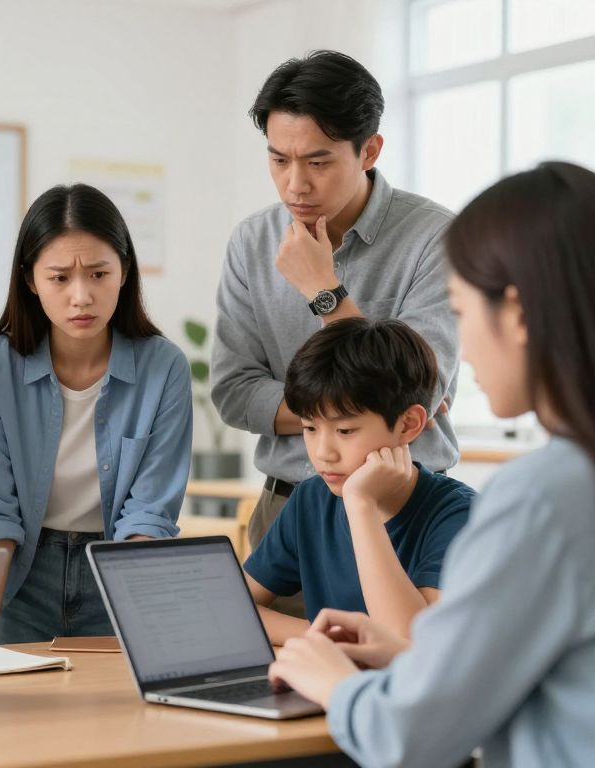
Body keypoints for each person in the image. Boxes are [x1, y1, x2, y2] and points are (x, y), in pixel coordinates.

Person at [268, 162, 595, 768]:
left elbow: (410, 738)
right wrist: (413, 657)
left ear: (517, 315)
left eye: (461, 312)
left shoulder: (542, 498)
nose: (461, 349)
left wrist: (333, 681)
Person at [211, 51, 460, 597]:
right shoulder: (252, 241)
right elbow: (233, 394)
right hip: (287, 508)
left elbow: (421, 392)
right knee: (264, 646)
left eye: (317, 162)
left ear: (369, 150)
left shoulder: (434, 238)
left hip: (405, 508)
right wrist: (356, 412)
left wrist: (325, 292)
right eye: (279, 160)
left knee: (402, 646)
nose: (294, 185)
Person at [0, 184, 192, 644]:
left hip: (120, 569)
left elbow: (149, 513)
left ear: (124, 271)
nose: (81, 296)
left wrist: (140, 623)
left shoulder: (164, 366)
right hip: (21, 576)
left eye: (99, 274)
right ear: (31, 280)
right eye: (60, 278)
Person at [245, 318, 474, 643]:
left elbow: (413, 644)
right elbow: (234, 607)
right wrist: (330, 639)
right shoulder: (311, 499)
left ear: (408, 424)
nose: (323, 453)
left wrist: (361, 505)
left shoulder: (459, 515)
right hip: (332, 672)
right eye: (309, 428)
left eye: (345, 431)